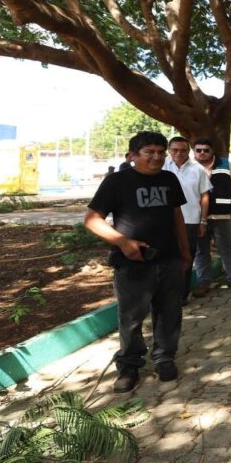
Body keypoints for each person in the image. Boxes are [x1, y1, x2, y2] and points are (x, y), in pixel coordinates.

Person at [84, 131, 190, 393]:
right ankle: (129, 365)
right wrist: (123, 242)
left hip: (169, 259)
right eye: (149, 152)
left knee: (169, 312)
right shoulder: (117, 181)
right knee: (131, 317)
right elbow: (92, 220)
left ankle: (164, 358)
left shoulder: (169, 179)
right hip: (133, 263)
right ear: (132, 155)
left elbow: (176, 215)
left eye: (161, 152)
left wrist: (185, 251)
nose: (156, 157)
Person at [191, 138, 231, 296]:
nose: (202, 153)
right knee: (201, 251)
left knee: (227, 249)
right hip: (198, 217)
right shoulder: (190, 167)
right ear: (194, 151)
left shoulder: (225, 165)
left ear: (212, 151)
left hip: (222, 215)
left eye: (206, 150)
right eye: (199, 150)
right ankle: (204, 282)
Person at [163, 136, 212, 304]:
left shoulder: (198, 169)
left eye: (183, 150)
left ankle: (181, 296)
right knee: (166, 258)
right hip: (165, 221)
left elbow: (205, 196)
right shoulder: (162, 166)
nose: (179, 153)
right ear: (169, 150)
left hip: (190, 221)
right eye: (175, 150)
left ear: (188, 151)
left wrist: (203, 221)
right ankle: (165, 295)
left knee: (186, 258)